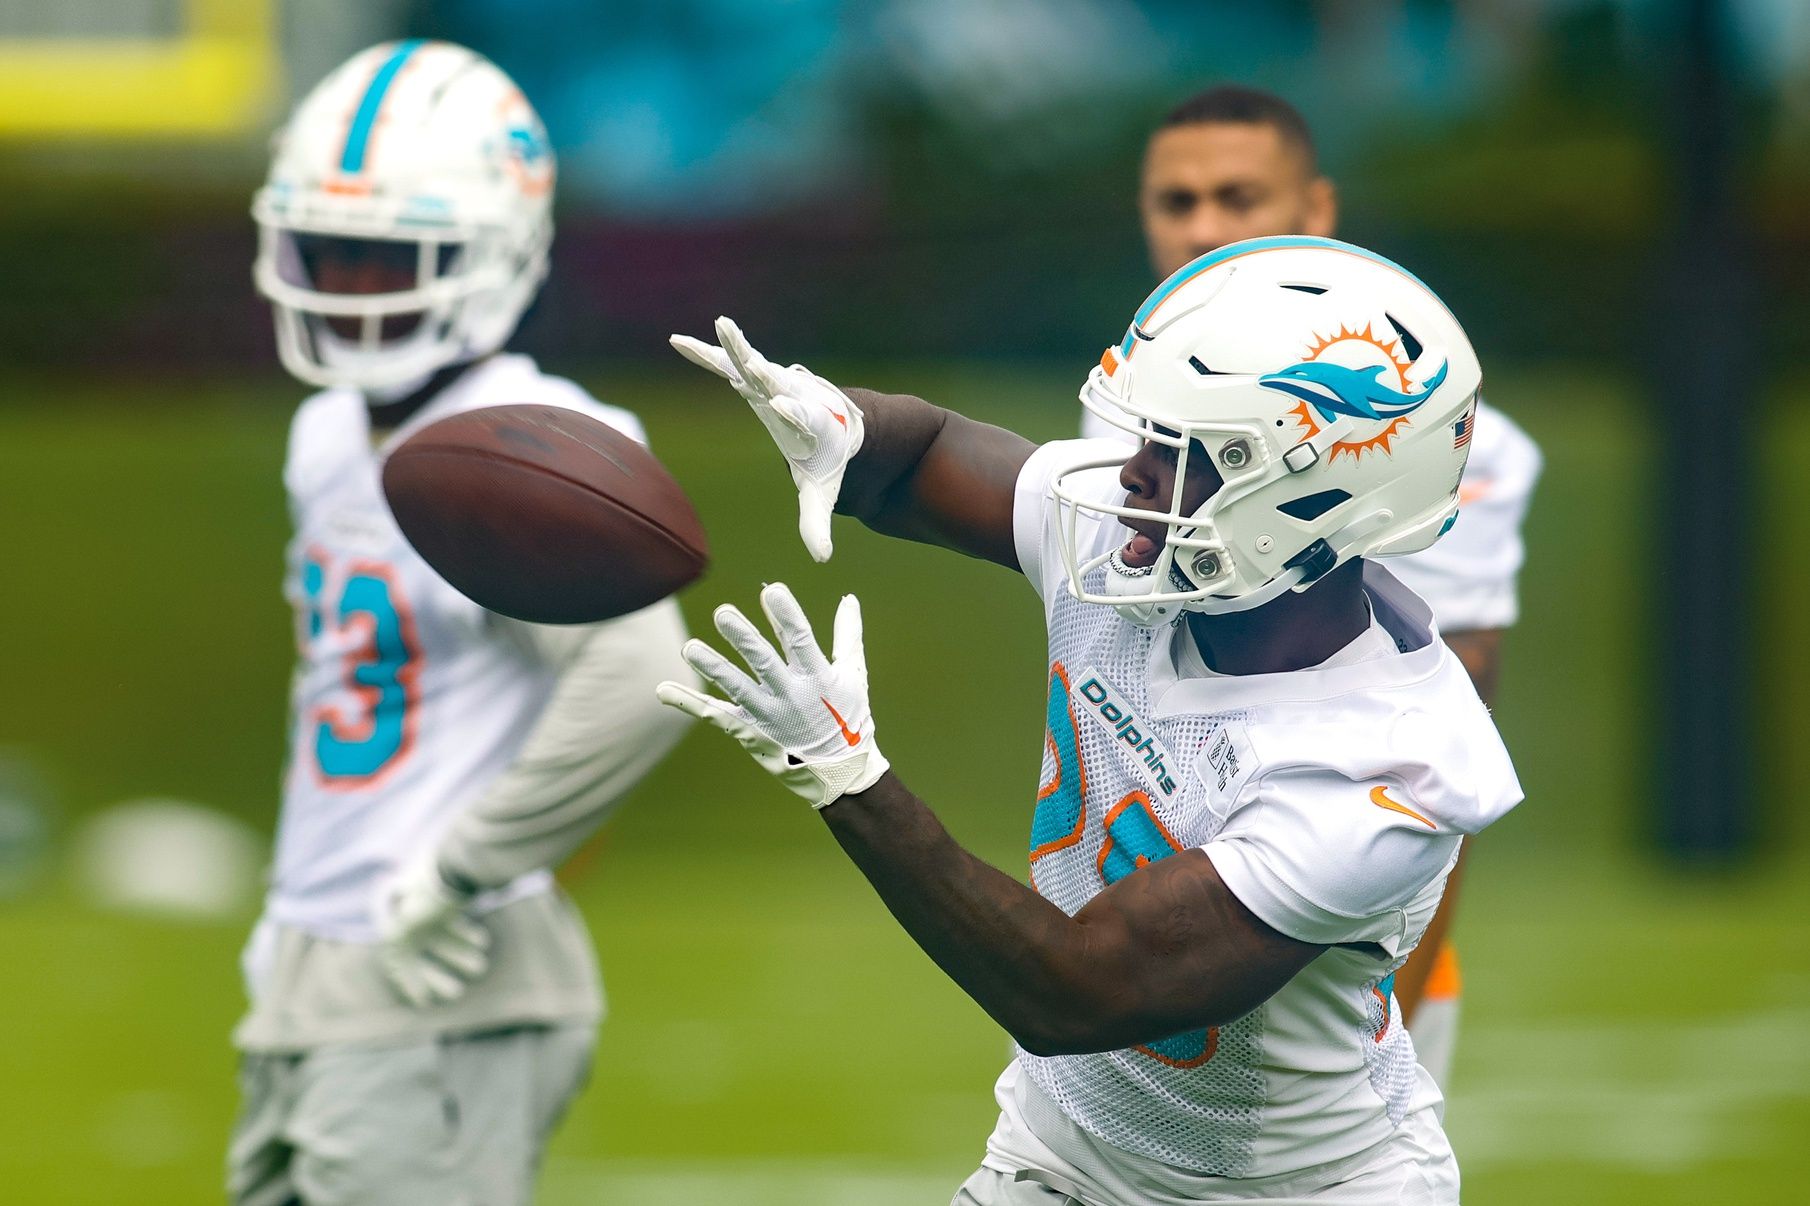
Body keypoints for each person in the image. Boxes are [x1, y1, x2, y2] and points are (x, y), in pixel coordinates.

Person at [664, 234, 1522, 1203]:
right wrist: (844, 430)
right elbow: (928, 458)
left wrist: (848, 778)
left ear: (1302, 496)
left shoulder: (1387, 766)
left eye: (1180, 452)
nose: (1129, 477)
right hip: (1063, 1151)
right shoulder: (1144, 542)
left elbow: (1075, 990)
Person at [228, 40, 691, 1206]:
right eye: (324, 248)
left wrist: (469, 868)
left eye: (388, 257)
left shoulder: (536, 438)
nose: (346, 283)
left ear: (495, 255)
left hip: (441, 975)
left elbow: (640, 671)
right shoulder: (328, 431)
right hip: (319, 957)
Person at [1086, 85, 1543, 1084]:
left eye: (1239, 196)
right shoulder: (1124, 418)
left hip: (1328, 936)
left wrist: (1399, 1011)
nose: (1204, 228)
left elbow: (1433, 779)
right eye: (1176, 202)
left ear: (1317, 212)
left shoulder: (1419, 442)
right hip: (1152, 915)